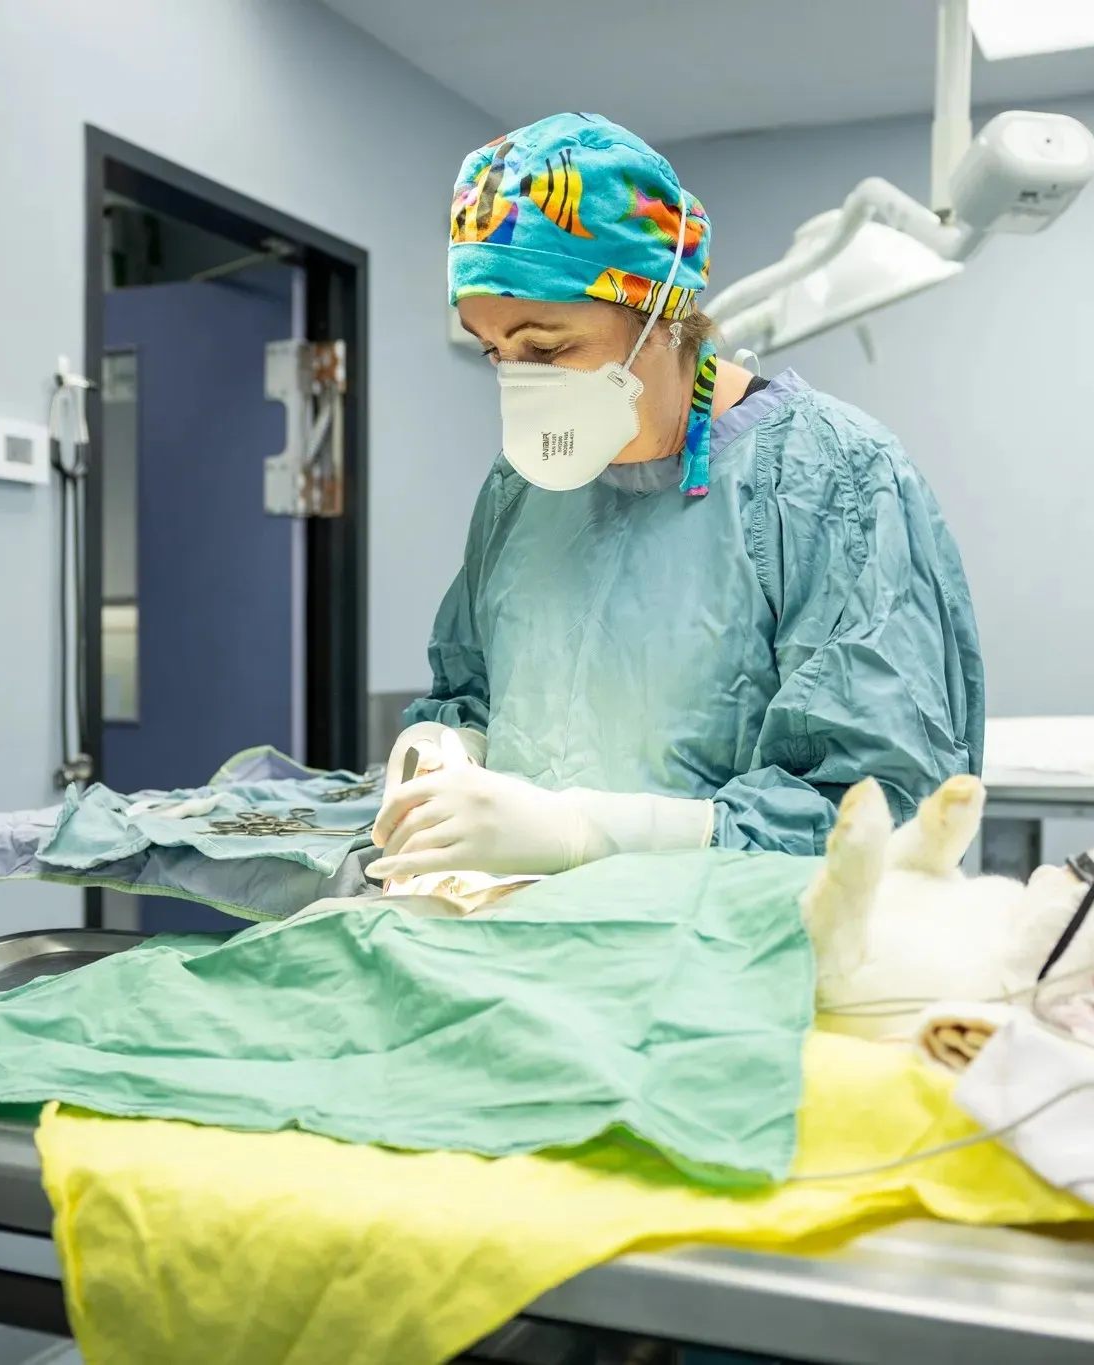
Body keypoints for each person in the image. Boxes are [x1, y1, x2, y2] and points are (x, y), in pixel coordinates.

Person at [370, 112, 984, 882]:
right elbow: (469, 690)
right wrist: (451, 751)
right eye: (495, 351)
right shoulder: (519, 485)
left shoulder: (834, 481)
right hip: (520, 938)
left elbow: (876, 812)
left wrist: (589, 831)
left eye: (546, 346)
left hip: (734, 964)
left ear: (661, 312)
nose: (519, 380)